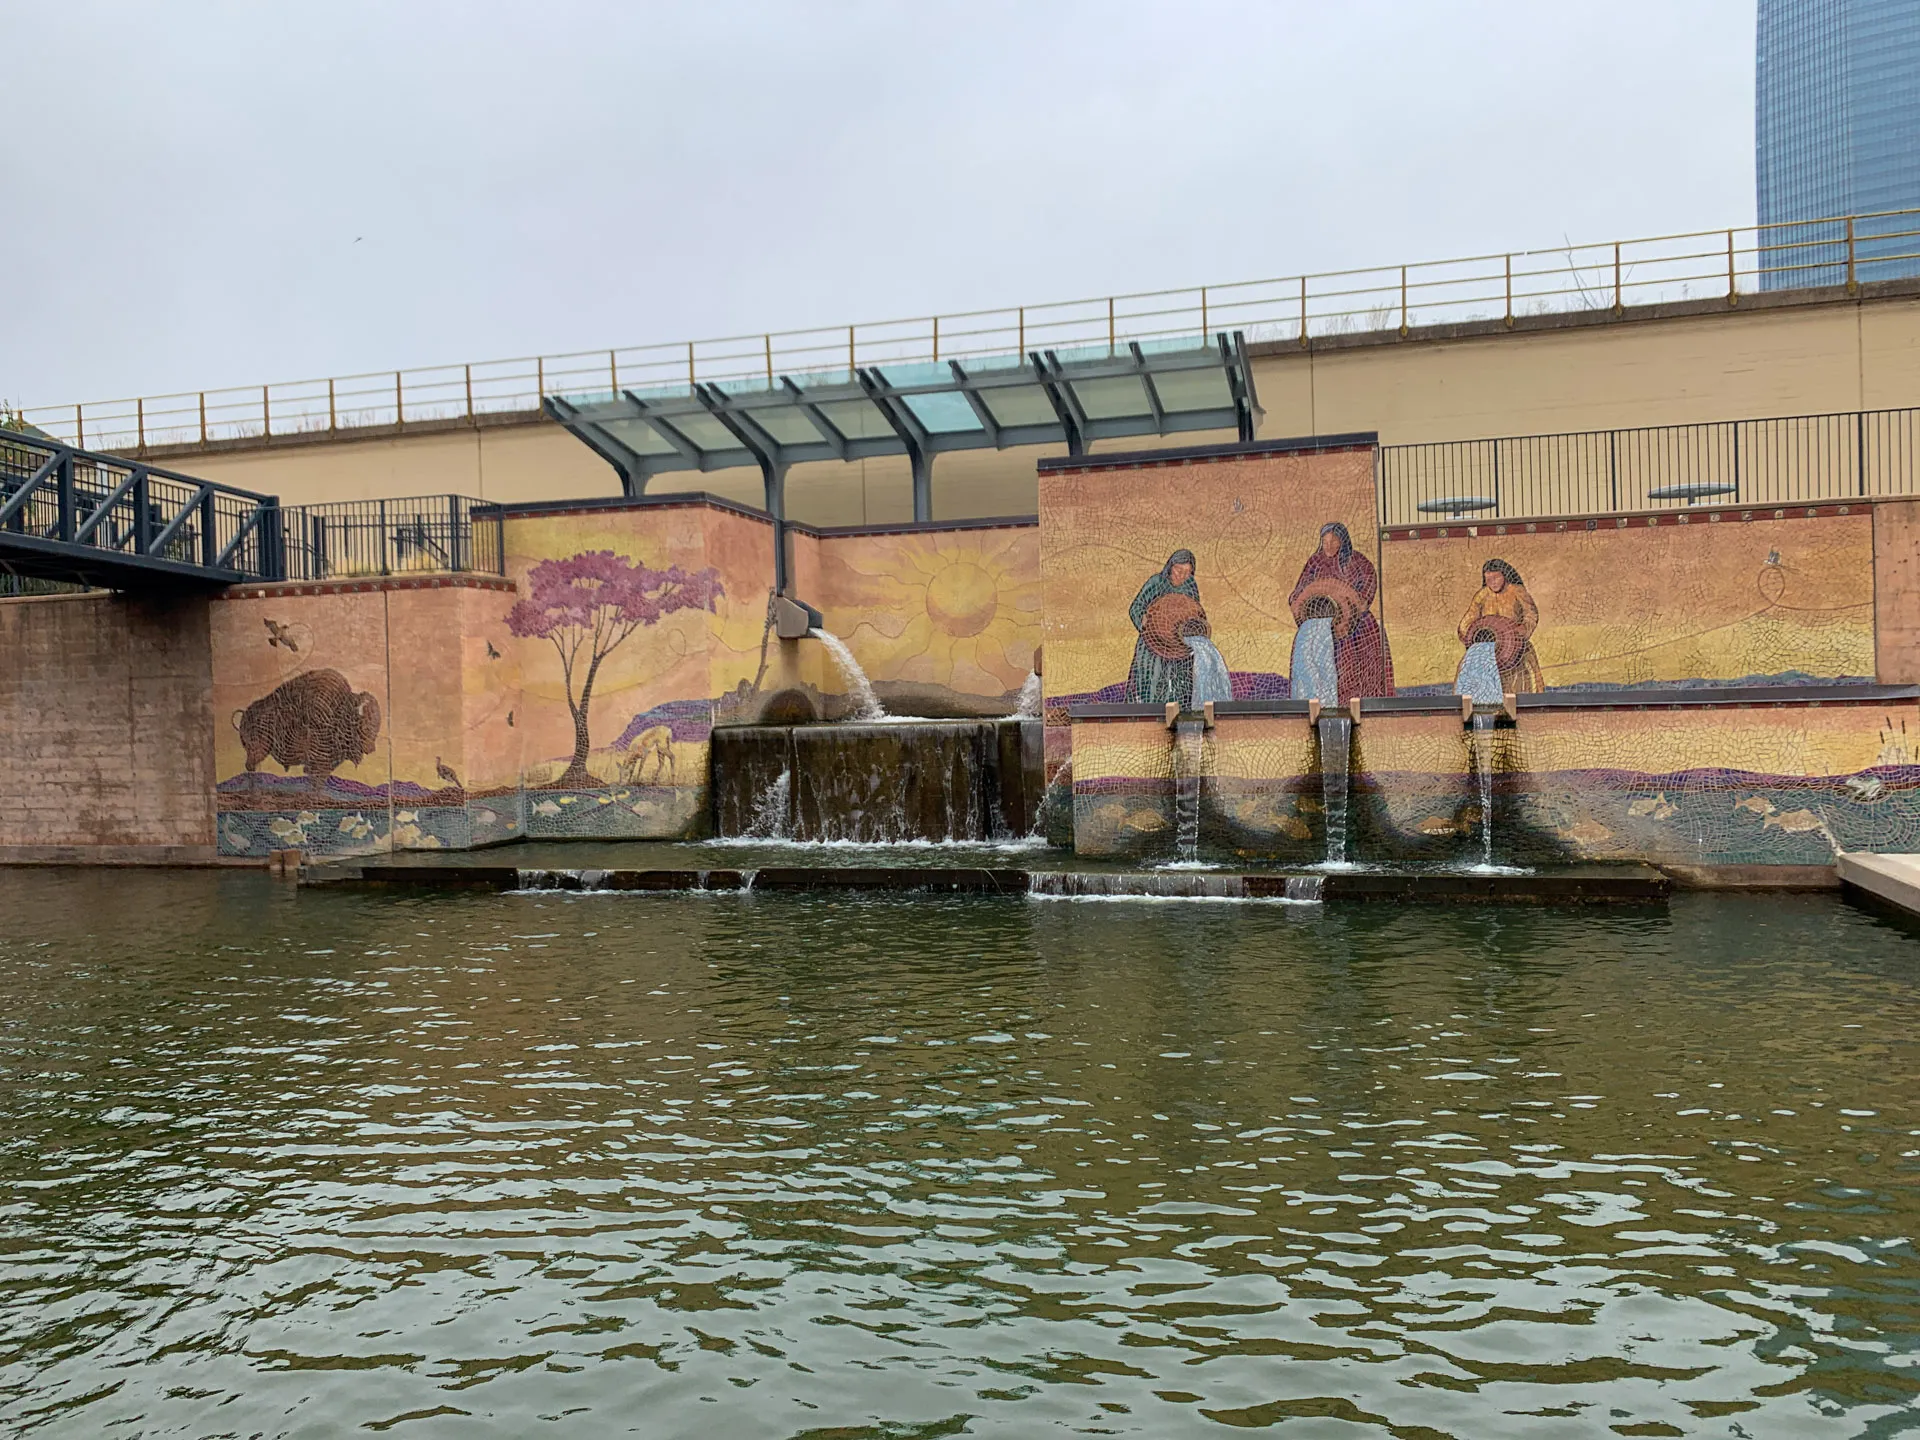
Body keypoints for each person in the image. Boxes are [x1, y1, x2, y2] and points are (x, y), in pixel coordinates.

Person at [1287, 522, 1394, 700]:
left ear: (1342, 541)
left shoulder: (1358, 562)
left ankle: (1363, 704)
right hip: (1318, 626)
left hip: (1355, 629)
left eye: (1333, 541)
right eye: (1325, 541)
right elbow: (1298, 592)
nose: (1328, 546)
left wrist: (1352, 605)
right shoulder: (1315, 562)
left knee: (1355, 670)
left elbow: (1367, 590)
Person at [1126, 550, 1207, 705]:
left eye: (1187, 572)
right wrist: (1144, 621)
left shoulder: (1190, 586)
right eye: (1178, 570)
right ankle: (1147, 712)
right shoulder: (1156, 582)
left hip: (1179, 646)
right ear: (1170, 566)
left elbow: (1193, 612)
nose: (1181, 575)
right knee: (1152, 679)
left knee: (1180, 682)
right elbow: (1135, 608)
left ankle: (1179, 713)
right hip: (1153, 645)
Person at [1456, 557, 1543, 694]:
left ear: (1504, 575)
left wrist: (1524, 628)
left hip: (1516, 646)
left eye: (1496, 578)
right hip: (1488, 649)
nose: (1493, 583)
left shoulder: (1517, 591)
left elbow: (1531, 614)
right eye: (1489, 580)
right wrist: (1467, 632)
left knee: (1523, 682)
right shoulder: (1482, 595)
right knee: (1465, 668)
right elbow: (1469, 618)